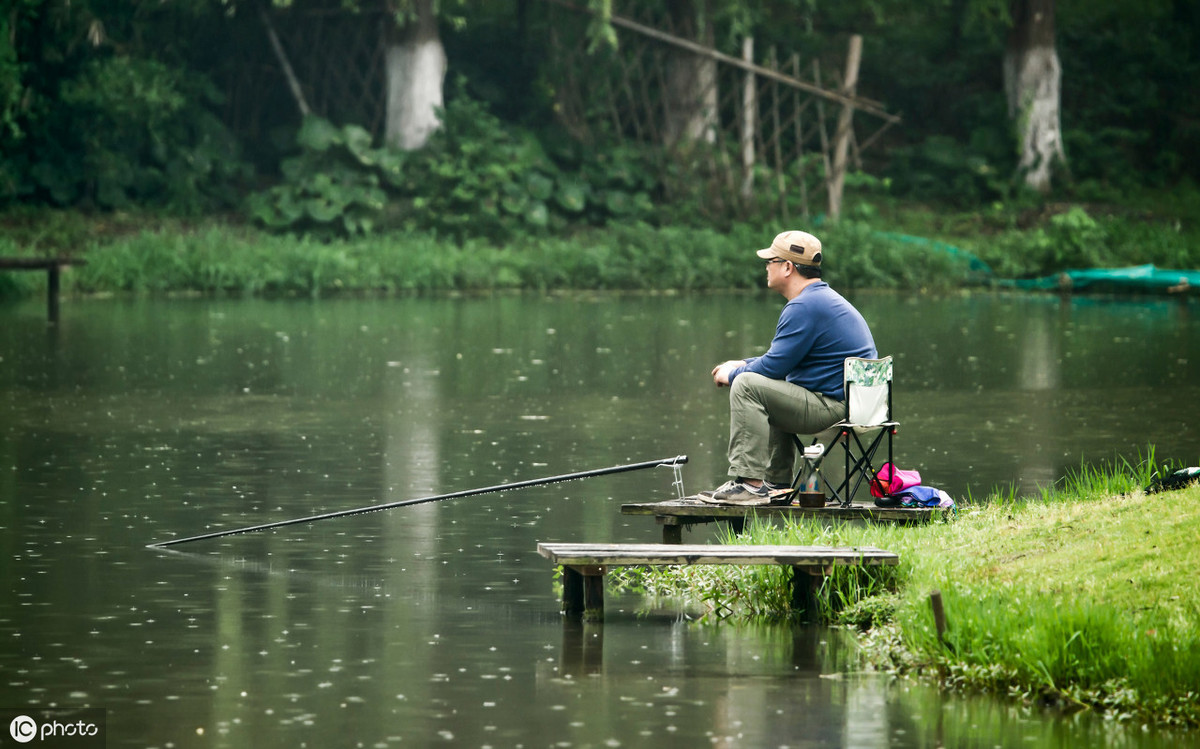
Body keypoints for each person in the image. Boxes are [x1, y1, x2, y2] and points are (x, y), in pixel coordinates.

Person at [704, 230, 877, 505]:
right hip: (857, 405)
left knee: (748, 386)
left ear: (787, 267)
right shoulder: (821, 300)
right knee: (763, 383)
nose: (766, 266)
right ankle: (775, 483)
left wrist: (735, 373)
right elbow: (783, 361)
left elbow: (772, 367)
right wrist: (744, 363)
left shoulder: (804, 306)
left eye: (771, 260)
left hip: (833, 407)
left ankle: (749, 484)